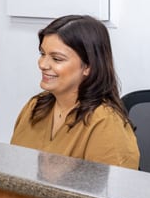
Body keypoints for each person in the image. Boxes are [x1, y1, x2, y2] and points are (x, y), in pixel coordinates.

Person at [11, 15, 139, 169]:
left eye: (57, 59)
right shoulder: (35, 106)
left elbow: (112, 191)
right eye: (42, 54)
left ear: (88, 67)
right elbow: (14, 171)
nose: (42, 64)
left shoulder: (105, 123)